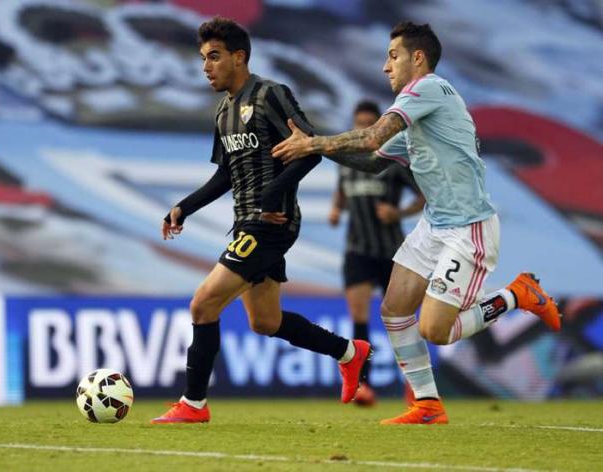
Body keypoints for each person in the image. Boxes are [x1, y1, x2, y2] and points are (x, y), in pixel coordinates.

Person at [272, 21, 561, 424]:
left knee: (435, 330)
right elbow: (373, 162)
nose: (385, 67)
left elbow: (372, 137)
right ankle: (427, 404)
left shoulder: (427, 90)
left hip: (468, 227)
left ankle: (518, 294)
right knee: (394, 309)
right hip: (434, 226)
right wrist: (318, 148)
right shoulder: (421, 117)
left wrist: (315, 143)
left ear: (418, 58)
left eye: (393, 56)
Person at [150, 17, 371, 424]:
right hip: (245, 222)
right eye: (202, 59)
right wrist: (184, 207)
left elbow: (310, 149)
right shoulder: (222, 112)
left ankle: (193, 404)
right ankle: (348, 352)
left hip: (270, 222)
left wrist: (273, 193)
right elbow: (225, 175)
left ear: (240, 57)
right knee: (265, 322)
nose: (206, 67)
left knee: (203, 305)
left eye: (214, 57)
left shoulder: (271, 94)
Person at [328, 100, 425, 406]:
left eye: (370, 124)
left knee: (400, 318)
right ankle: (363, 386)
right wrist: (336, 208)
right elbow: (342, 191)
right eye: (360, 124)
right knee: (359, 318)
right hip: (357, 249)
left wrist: (398, 213)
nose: (363, 129)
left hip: (391, 251)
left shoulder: (392, 162)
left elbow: (424, 195)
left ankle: (416, 385)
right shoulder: (347, 161)